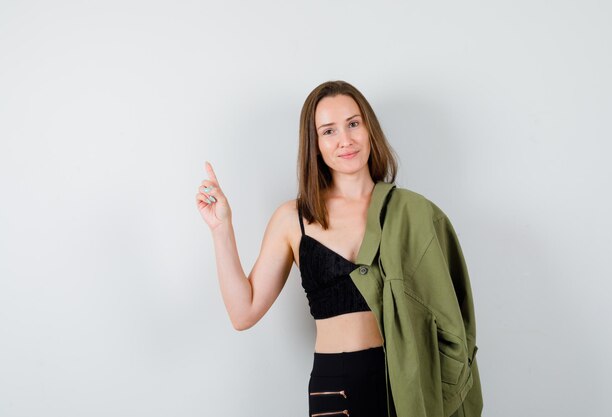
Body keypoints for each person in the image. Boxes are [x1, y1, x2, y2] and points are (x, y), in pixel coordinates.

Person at [195, 81, 482, 417]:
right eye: (328, 131)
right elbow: (243, 313)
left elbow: (452, 317)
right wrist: (221, 229)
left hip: (405, 383)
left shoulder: (414, 213)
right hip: (334, 388)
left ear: (369, 129)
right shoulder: (293, 218)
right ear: (315, 144)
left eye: (353, 124)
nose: (345, 140)